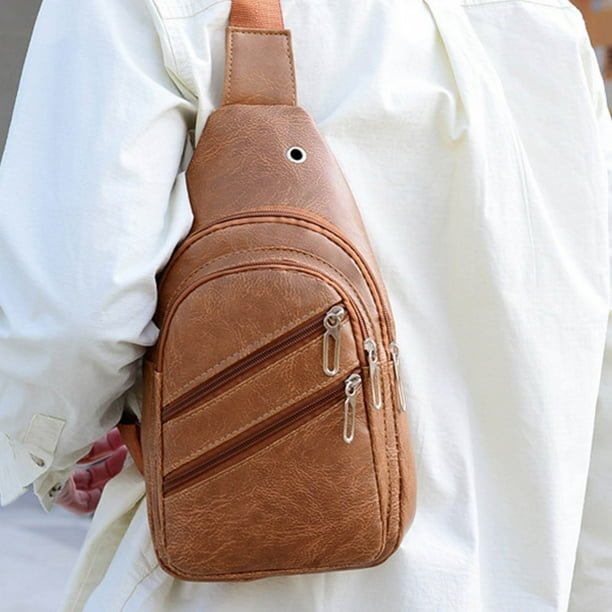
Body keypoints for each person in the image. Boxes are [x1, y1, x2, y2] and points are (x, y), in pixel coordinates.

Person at [1, 0, 610, 609]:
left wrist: (52, 450)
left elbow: (71, 326)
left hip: (252, 577)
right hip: (508, 583)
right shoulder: (547, 25)